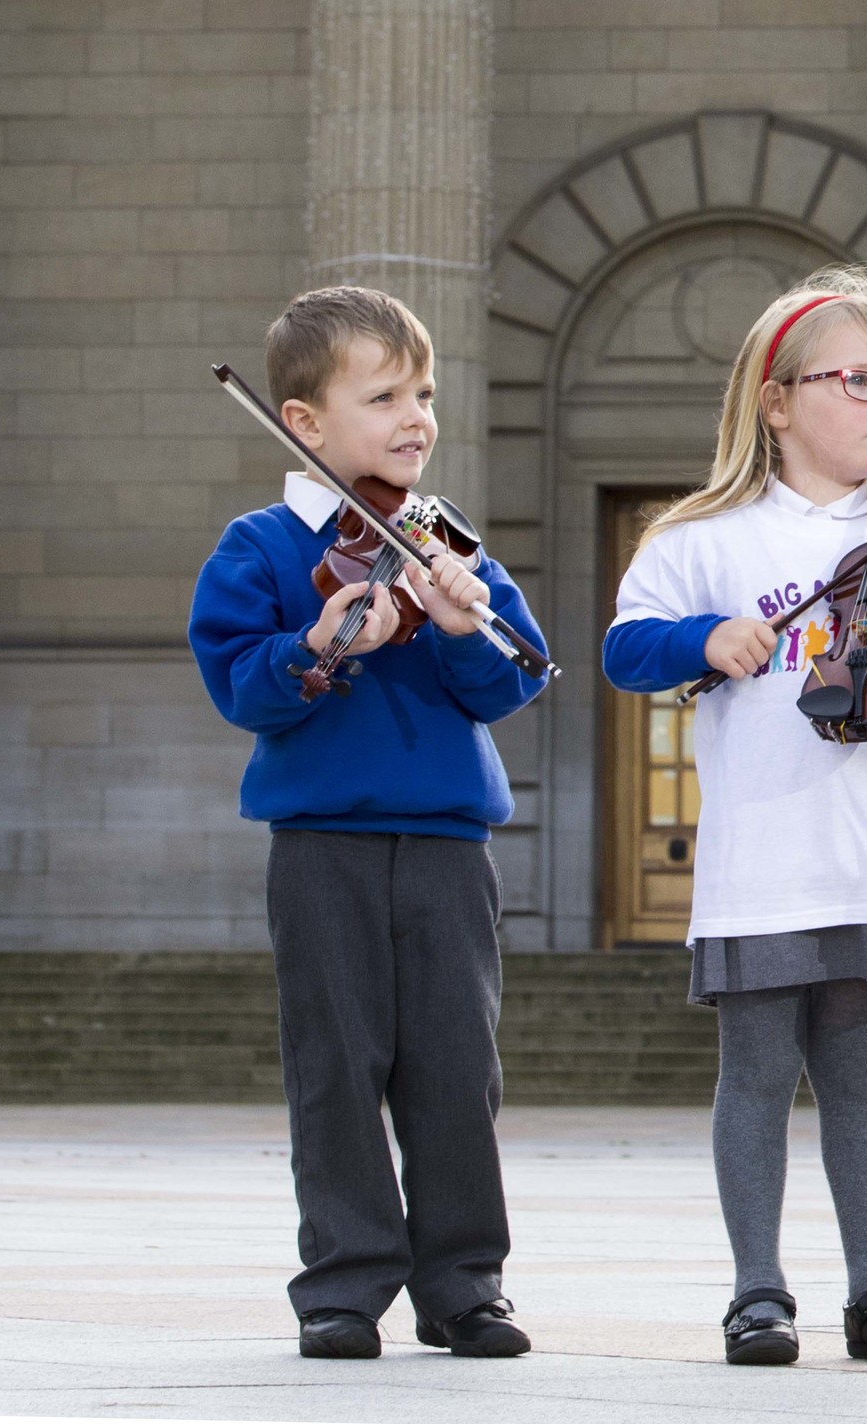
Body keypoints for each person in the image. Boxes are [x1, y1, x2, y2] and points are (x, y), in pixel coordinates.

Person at [602, 268, 867, 1369]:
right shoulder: (706, 538)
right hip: (764, 853)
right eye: (865, 382)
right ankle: (756, 1291)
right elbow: (624, 649)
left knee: (856, 1071)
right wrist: (705, 640)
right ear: (777, 401)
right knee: (756, 1069)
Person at [189, 285, 552, 1362]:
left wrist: (453, 625)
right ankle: (344, 1286)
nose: (415, 416)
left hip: (447, 845)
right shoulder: (259, 548)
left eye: (424, 392)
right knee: (335, 1063)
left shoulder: (450, 546)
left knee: (454, 1067)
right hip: (321, 846)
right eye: (384, 393)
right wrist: (319, 644)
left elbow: (511, 684)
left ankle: (462, 1286)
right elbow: (240, 686)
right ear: (303, 420)